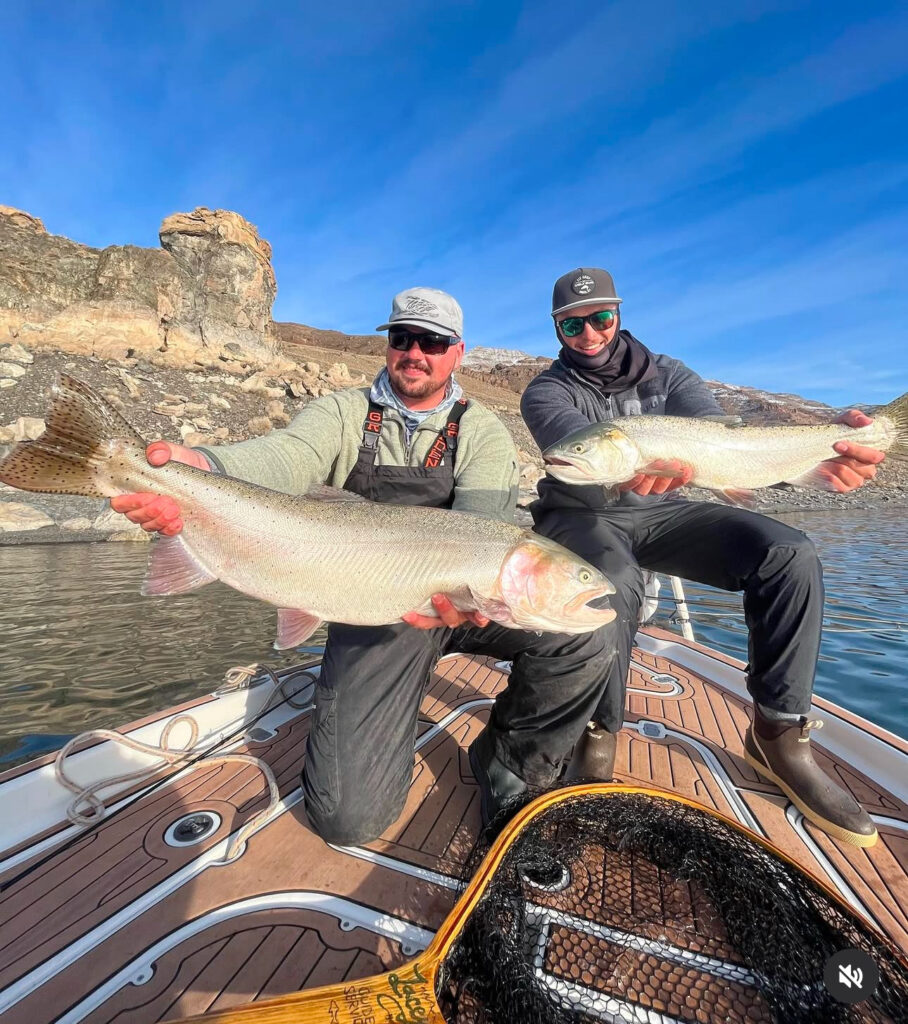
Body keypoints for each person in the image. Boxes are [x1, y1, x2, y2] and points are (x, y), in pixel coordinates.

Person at [111, 287, 613, 843]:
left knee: (587, 639)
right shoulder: (343, 413)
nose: (415, 352)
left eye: (433, 341)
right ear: (389, 344)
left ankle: (510, 763)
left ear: (458, 352)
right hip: (370, 610)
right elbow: (286, 456)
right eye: (402, 338)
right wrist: (201, 465)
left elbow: (482, 525)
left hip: (463, 603)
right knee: (347, 820)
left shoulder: (482, 431)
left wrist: (478, 594)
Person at [521, 267, 887, 847]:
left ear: (619, 314)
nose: (588, 333)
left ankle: (778, 735)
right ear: (556, 329)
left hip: (661, 513)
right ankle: (596, 737)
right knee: (609, 581)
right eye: (571, 324)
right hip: (583, 513)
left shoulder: (672, 374)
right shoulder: (546, 391)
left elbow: (726, 445)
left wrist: (826, 447)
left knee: (790, 554)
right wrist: (636, 464)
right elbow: (574, 451)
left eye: (600, 318)